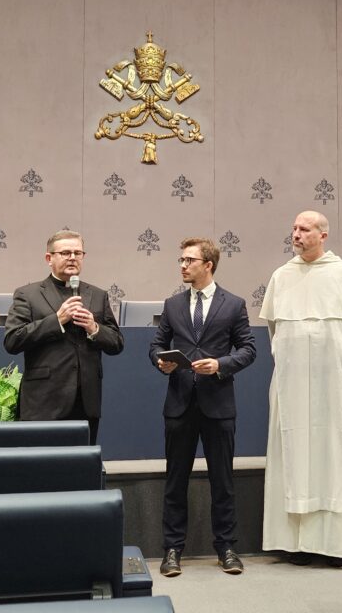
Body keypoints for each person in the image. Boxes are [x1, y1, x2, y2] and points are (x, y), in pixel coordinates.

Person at [261, 210, 342, 567]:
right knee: (291, 451)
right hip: (290, 382)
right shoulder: (281, 276)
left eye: (304, 229)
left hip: (331, 385)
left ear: (323, 235)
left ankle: (333, 545)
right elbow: (274, 332)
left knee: (330, 455)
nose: (296, 234)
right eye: (293, 228)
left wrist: (338, 365)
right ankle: (295, 543)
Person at [150, 238, 256, 578]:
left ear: (208, 264)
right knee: (175, 480)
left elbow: (249, 349)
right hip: (179, 403)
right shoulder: (172, 304)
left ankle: (226, 547)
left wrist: (221, 364)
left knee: (222, 481)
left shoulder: (234, 304)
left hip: (218, 404)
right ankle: (172, 550)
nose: (182, 265)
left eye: (189, 260)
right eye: (181, 259)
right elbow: (156, 345)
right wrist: (160, 362)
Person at [4, 229, 123, 444]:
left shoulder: (97, 295)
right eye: (65, 253)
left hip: (86, 401)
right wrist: (57, 319)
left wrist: (94, 327)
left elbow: (116, 343)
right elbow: (13, 339)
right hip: (43, 402)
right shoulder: (28, 294)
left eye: (78, 253)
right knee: (41, 470)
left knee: (80, 469)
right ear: (49, 258)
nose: (72, 258)